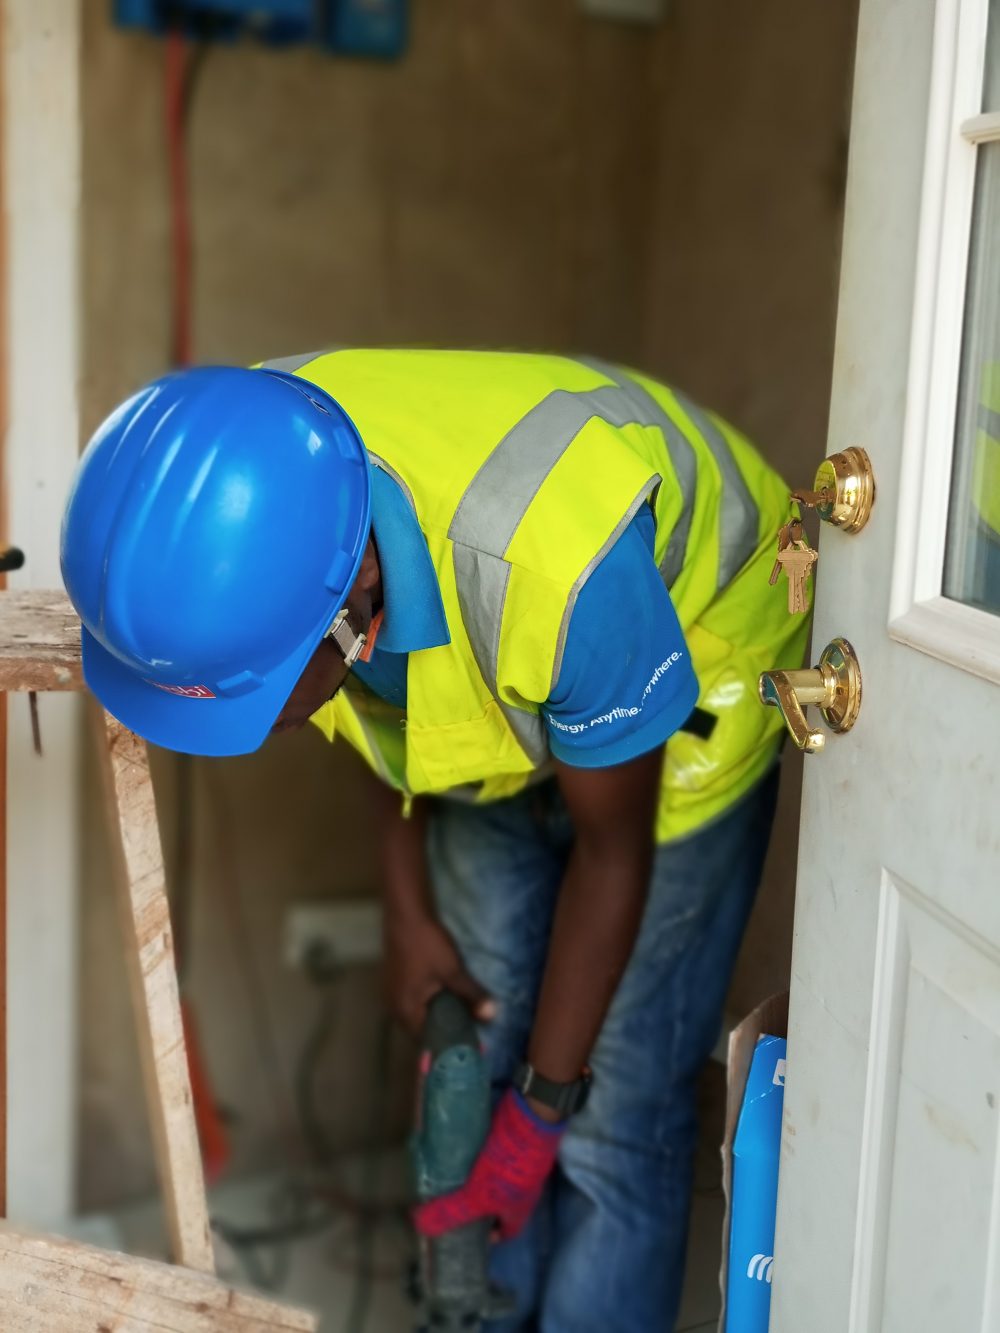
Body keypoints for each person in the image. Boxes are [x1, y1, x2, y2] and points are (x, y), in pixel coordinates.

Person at [61, 349, 808, 1332]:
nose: (250, 730)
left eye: (253, 698)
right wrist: (407, 915)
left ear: (355, 602)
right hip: (505, 664)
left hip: (692, 658)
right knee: (481, 1042)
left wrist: (544, 1109)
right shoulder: (251, 473)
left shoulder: (557, 572)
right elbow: (368, 712)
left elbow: (613, 854)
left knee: (614, 1116)